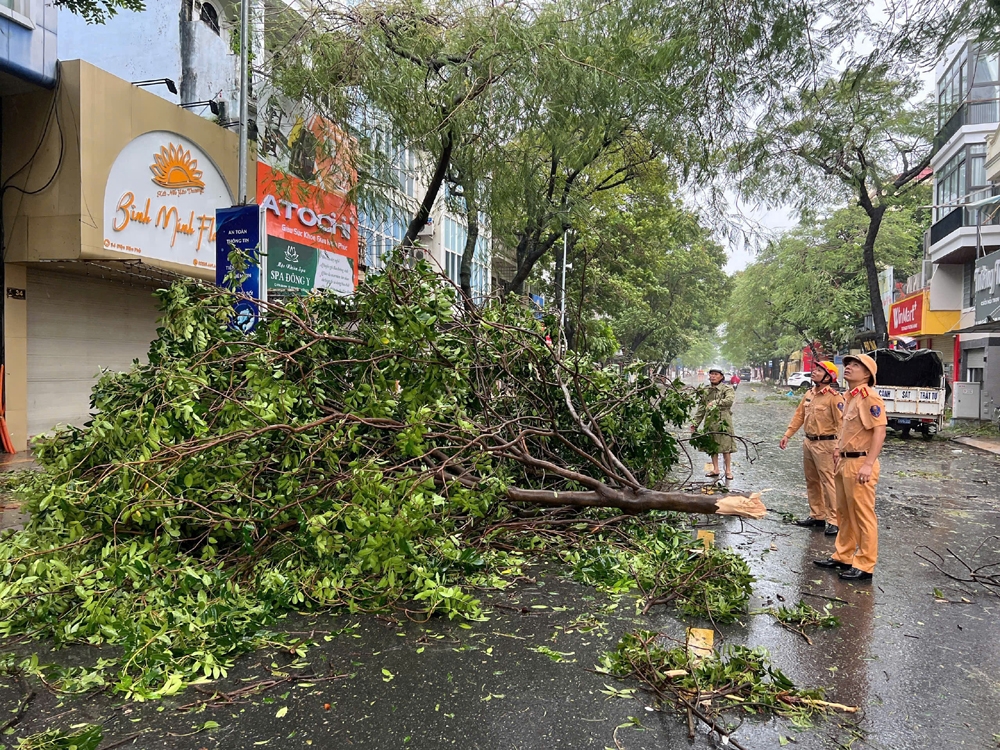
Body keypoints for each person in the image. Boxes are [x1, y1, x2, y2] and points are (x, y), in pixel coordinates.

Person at [814, 353, 887, 582]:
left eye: (856, 366)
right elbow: (848, 430)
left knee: (863, 515)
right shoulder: (850, 397)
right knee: (843, 512)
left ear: (867, 374)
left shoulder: (870, 397)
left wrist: (868, 463)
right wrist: (837, 450)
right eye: (848, 365)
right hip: (845, 460)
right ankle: (843, 555)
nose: (849, 368)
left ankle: (865, 564)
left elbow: (879, 432)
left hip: (860, 463)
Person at [779, 361, 844, 536]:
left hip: (826, 444)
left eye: (818, 370)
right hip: (809, 442)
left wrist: (838, 447)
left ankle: (833, 520)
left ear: (828, 376)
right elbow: (799, 415)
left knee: (828, 481)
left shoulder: (834, 397)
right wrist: (788, 435)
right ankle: (817, 515)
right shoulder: (809, 394)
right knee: (812, 480)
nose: (813, 372)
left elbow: (842, 424)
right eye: (814, 369)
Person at [691, 367, 736, 480]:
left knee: (726, 447)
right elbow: (701, 408)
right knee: (712, 446)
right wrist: (695, 423)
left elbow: (729, 401)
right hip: (710, 421)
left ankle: (728, 471)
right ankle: (715, 469)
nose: (713, 376)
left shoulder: (727, 389)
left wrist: (715, 402)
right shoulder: (706, 390)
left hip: (724, 421)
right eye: (711, 374)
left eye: (716, 374)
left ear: (721, 377)